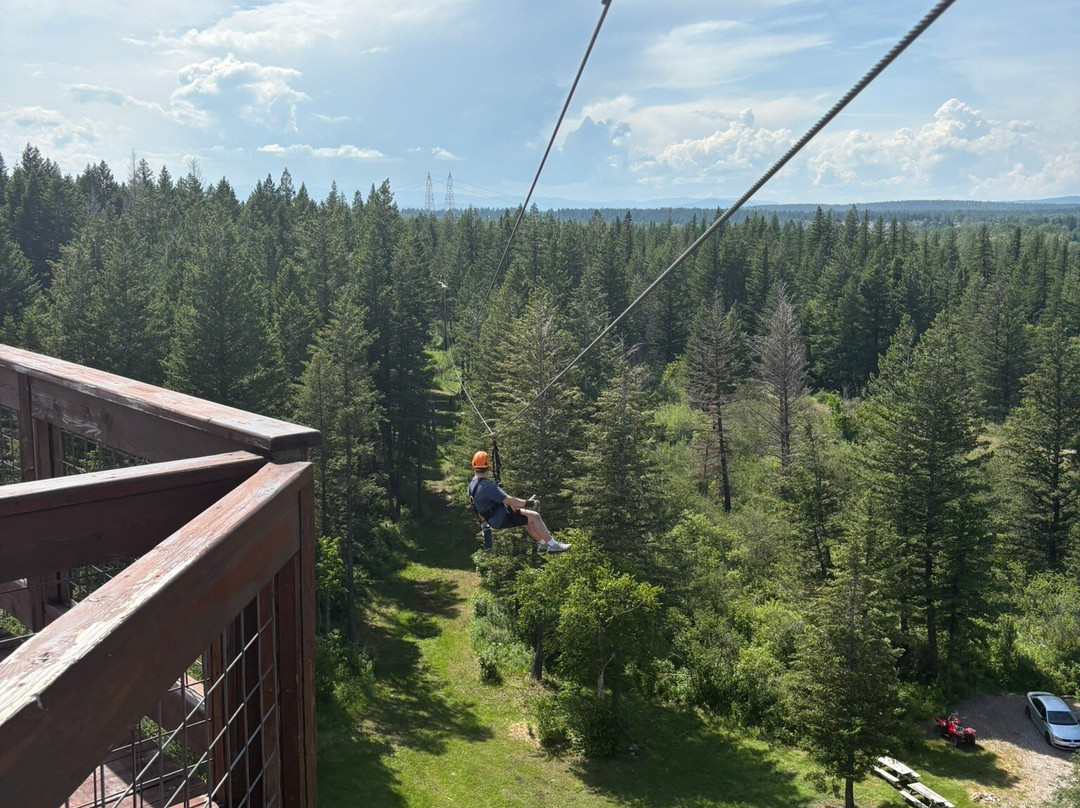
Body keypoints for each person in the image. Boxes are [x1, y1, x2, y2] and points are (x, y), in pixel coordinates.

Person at [467, 450, 571, 554]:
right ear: (488, 466)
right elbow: (510, 500)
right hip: (501, 517)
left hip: (493, 519)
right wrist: (528, 503)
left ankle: (542, 543)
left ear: (473, 466)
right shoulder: (489, 486)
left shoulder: (472, 485)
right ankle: (553, 545)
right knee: (536, 516)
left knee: (529, 519)